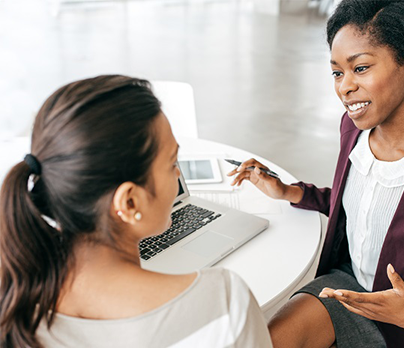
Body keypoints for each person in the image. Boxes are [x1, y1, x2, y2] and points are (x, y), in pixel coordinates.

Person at [228, 1, 404, 347]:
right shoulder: (354, 128)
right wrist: (288, 191)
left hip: (401, 326)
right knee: (262, 341)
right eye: (337, 72)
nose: (344, 87)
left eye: (360, 68)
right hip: (345, 286)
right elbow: (360, 205)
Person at [0, 75, 272, 348]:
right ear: (129, 202)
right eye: (170, 164)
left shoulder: (14, 302)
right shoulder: (222, 301)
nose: (178, 173)